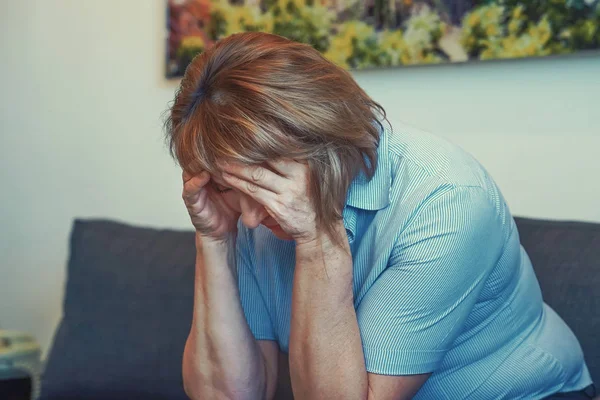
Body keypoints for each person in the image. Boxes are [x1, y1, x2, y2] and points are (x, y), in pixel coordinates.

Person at [164, 32, 595, 400]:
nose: (253, 219)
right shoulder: (250, 204)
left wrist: (317, 242)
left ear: (327, 143)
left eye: (265, 183)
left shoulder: (447, 199)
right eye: (229, 189)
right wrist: (216, 241)